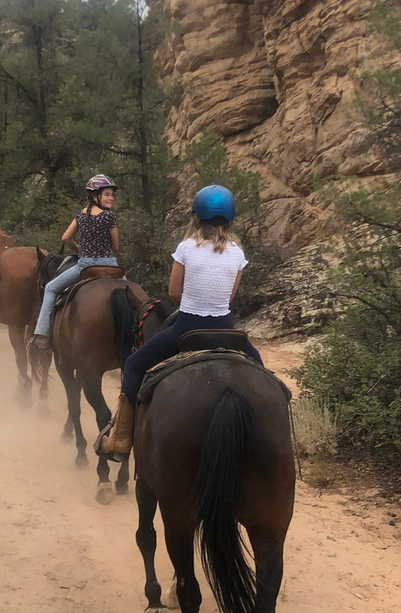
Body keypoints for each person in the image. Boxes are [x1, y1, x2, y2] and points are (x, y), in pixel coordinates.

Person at [98, 184, 263, 461]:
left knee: (134, 364)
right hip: (226, 330)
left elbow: (174, 293)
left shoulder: (186, 247)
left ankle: (121, 439)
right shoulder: (237, 253)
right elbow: (231, 296)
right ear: (231, 219)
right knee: (261, 371)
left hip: (186, 329)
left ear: (196, 217)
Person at [30, 174, 121, 351]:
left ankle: (42, 334)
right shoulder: (109, 217)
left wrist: (80, 250)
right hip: (110, 267)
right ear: (96, 196)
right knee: (134, 295)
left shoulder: (81, 216)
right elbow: (115, 247)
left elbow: (65, 238)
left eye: (112, 194)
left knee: (50, 288)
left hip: (85, 266)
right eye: (108, 194)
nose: (111, 198)